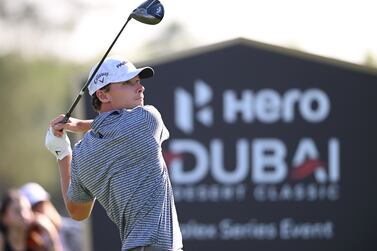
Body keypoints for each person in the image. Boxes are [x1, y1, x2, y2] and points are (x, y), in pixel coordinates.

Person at [45, 55, 183, 251]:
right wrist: (79, 125)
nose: (140, 87)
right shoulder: (148, 119)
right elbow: (119, 125)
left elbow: (77, 212)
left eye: (138, 81)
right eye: (127, 83)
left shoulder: (81, 155)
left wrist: (62, 153)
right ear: (103, 95)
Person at [19, 183, 83, 251]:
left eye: (41, 204)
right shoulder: (31, 243)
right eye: (33, 208)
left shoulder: (78, 231)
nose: (39, 211)